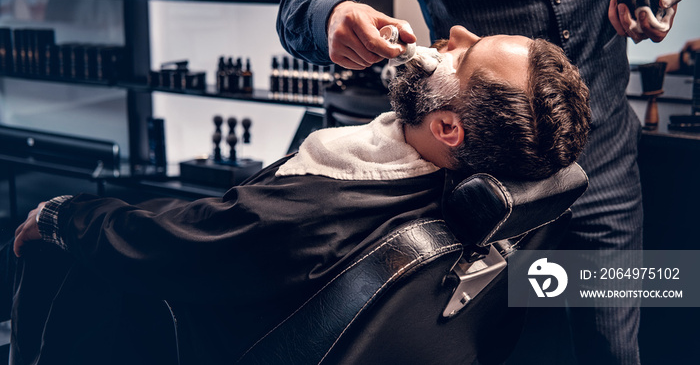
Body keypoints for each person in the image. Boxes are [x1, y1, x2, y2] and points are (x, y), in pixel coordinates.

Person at [7, 28, 590, 365]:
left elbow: (179, 244)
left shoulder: (317, 210)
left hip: (220, 330)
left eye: (461, 57)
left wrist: (64, 217)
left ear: (446, 130)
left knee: (81, 264)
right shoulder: (503, 193)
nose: (451, 39)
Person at [276, 0, 685, 363]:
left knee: (612, 348)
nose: (457, 34)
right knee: (493, 349)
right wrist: (330, 15)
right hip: (489, 189)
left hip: (605, 156)